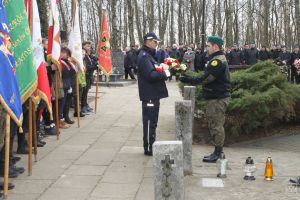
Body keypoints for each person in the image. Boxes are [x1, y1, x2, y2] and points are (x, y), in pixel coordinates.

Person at [179, 35, 231, 163]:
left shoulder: (217, 61)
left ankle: (218, 153)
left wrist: (188, 79)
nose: (206, 48)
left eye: (208, 46)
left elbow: (206, 78)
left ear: (215, 46)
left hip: (217, 98)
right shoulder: (216, 59)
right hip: (215, 97)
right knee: (214, 124)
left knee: (216, 125)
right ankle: (218, 152)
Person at [137, 32, 170, 156]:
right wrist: (165, 73)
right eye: (155, 42)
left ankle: (151, 144)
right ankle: (149, 147)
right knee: (150, 121)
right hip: (149, 95)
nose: (156, 44)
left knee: (153, 121)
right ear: (148, 41)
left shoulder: (149, 55)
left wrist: (162, 68)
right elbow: (150, 75)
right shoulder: (145, 56)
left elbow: (154, 70)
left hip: (152, 94)